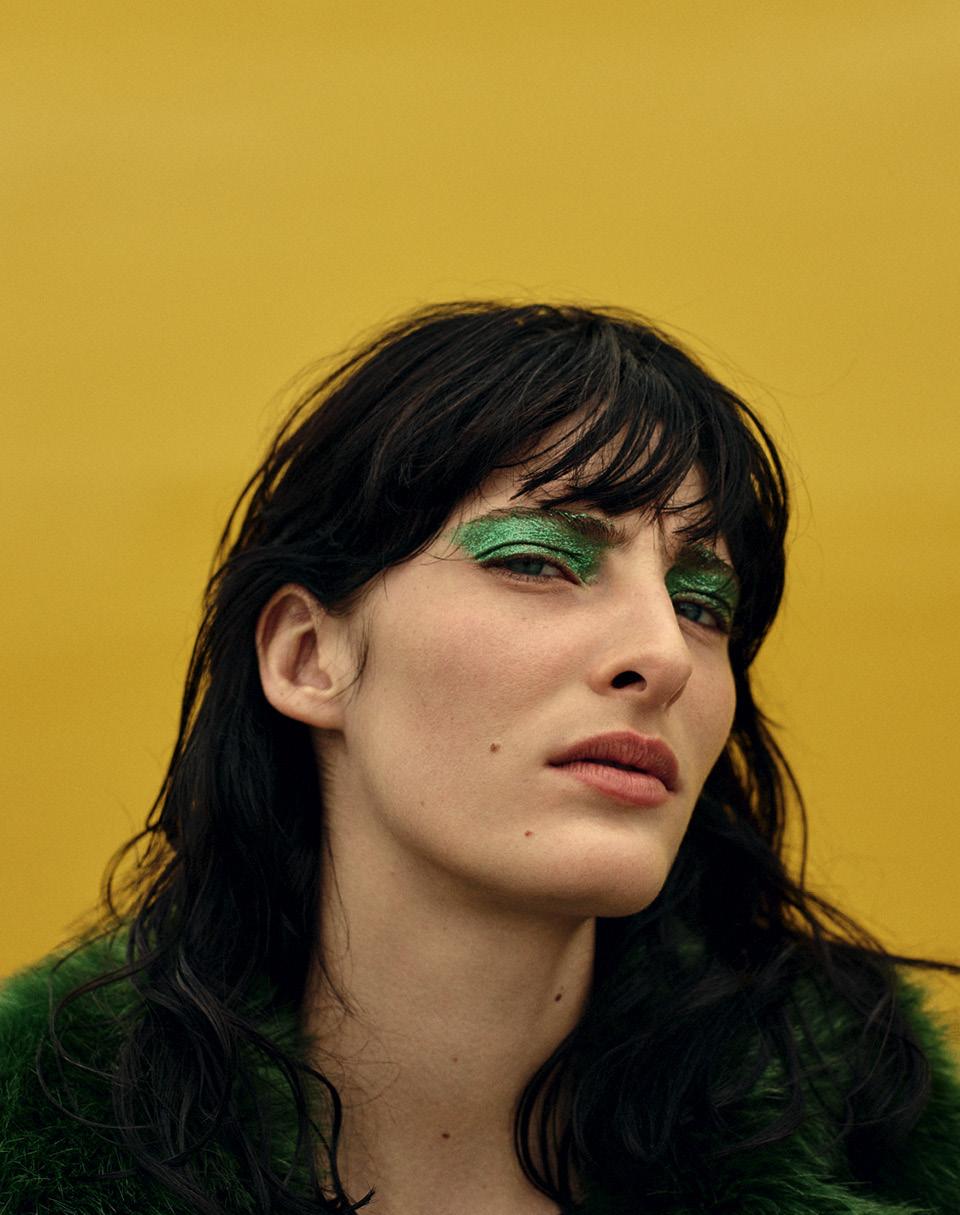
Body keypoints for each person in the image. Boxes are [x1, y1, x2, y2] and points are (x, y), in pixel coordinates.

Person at [1, 301, 958, 1215]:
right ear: (307, 657)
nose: (665, 655)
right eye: (538, 561)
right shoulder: (36, 1132)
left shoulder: (883, 1137)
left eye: (702, 604)